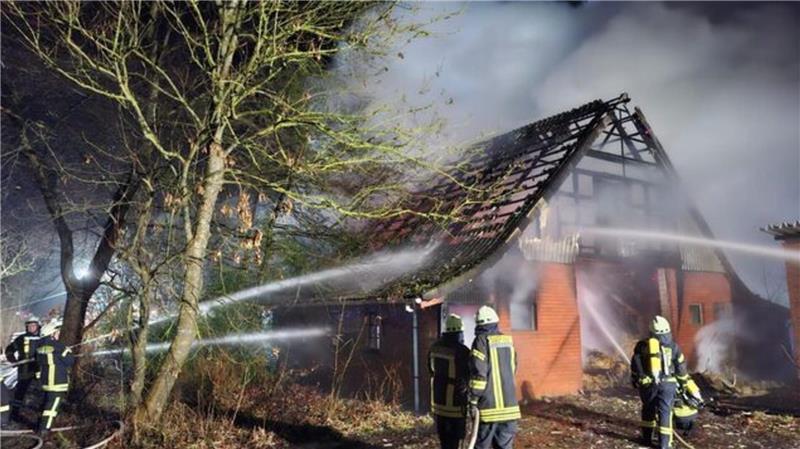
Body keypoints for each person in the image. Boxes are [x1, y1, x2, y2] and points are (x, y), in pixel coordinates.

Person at [630, 315, 703, 449]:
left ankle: (647, 439)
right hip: (668, 385)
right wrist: (686, 385)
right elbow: (681, 371)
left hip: (648, 384)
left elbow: (635, 364)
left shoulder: (641, 346)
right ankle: (665, 444)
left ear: (651, 332)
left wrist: (637, 379)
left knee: (648, 409)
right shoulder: (674, 347)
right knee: (665, 412)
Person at [468, 305, 520, 449]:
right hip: (510, 408)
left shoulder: (480, 341)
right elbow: (513, 369)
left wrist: (473, 400)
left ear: (478, 324)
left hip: (488, 409)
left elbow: (479, 375)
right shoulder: (508, 341)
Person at [428, 314, 470, 449]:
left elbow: (430, 369)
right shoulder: (462, 351)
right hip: (455, 405)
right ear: (458, 332)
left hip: (438, 403)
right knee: (455, 441)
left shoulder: (433, 347)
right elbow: (468, 375)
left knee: (444, 441)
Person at [33, 318, 74, 435]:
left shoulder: (39, 348)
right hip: (57, 382)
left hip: (45, 382)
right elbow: (70, 361)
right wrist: (68, 351)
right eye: (56, 332)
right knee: (51, 408)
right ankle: (44, 429)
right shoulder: (59, 346)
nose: (58, 334)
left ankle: (40, 425)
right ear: (51, 334)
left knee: (46, 404)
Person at [4, 316, 41, 423]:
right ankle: (14, 413)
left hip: (39, 370)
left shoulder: (43, 339)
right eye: (29, 326)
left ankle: (36, 414)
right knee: (20, 392)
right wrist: (13, 360)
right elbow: (9, 349)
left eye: (33, 325)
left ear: (38, 327)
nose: (31, 327)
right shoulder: (21, 339)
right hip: (24, 370)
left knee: (39, 392)